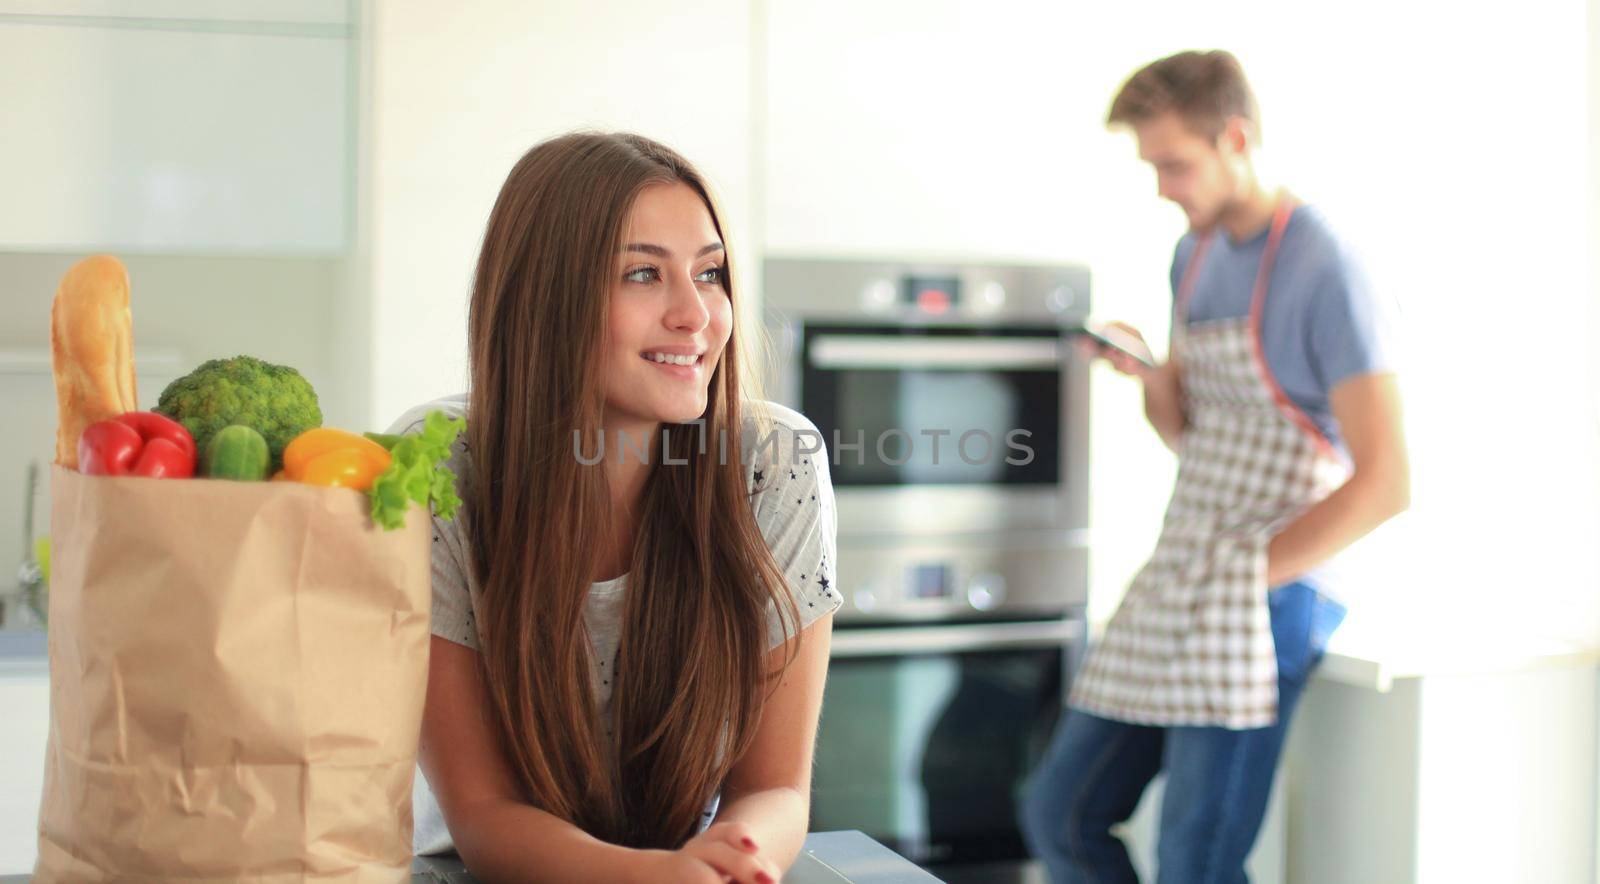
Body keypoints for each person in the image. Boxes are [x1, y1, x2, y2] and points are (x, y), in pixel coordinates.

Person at [386, 132, 843, 884]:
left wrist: (734, 855)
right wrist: (658, 877)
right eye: (642, 274)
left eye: (710, 273)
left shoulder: (775, 461)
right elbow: (484, 816)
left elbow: (775, 789)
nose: (695, 315)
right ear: (544, 296)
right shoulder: (438, 464)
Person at [1020, 50, 1410, 883]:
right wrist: (1155, 379)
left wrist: (1250, 575)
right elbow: (1194, 437)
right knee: (1061, 810)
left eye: (1175, 164)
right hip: (1189, 561)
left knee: (1196, 857)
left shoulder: (1326, 264)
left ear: (1236, 137)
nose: (1163, 186)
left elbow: (1386, 481)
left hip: (1272, 589)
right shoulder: (1190, 256)